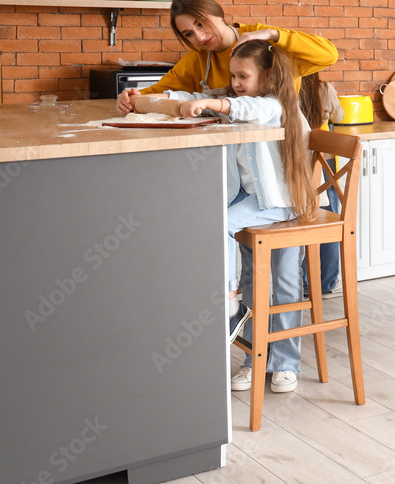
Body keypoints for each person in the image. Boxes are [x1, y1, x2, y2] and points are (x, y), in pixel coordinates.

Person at [136, 40, 319, 393]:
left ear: (267, 75)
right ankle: (255, 356)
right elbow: (193, 94)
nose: (235, 82)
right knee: (254, 276)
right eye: (232, 75)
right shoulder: (240, 102)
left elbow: (247, 107)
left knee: (281, 279)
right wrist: (144, 96)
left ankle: (281, 360)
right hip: (255, 202)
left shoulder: (275, 105)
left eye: (242, 75)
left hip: (281, 204)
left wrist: (212, 103)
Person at [116, 0, 337, 113]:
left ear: (217, 13)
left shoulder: (263, 39)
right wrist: (130, 97)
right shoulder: (198, 59)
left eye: (200, 23)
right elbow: (162, 90)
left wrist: (274, 35)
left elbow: (329, 55)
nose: (200, 37)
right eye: (189, 34)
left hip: (288, 144)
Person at [298, 71, 345, 297]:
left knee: (303, 219)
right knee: (329, 221)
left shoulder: (287, 89)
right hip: (325, 160)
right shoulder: (326, 89)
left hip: (299, 160)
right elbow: (341, 116)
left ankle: (304, 282)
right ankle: (326, 282)